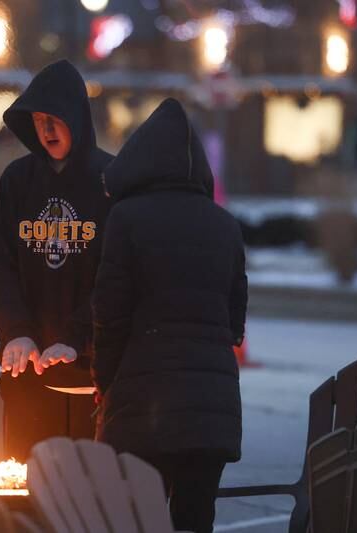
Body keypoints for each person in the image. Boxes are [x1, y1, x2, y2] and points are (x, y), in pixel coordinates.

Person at [91, 98, 247, 533]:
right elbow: (235, 320)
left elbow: (110, 314)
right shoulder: (225, 225)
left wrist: (105, 384)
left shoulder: (126, 219)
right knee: (196, 520)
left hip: (144, 408)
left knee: (140, 519)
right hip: (212, 408)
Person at [0, 59, 113, 461]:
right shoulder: (18, 181)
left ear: (76, 119)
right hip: (28, 371)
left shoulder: (110, 180)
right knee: (23, 484)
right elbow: (2, 265)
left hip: (87, 374)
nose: (47, 130)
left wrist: (78, 337)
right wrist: (15, 331)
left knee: (84, 492)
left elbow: (116, 276)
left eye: (55, 119)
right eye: (39, 120)